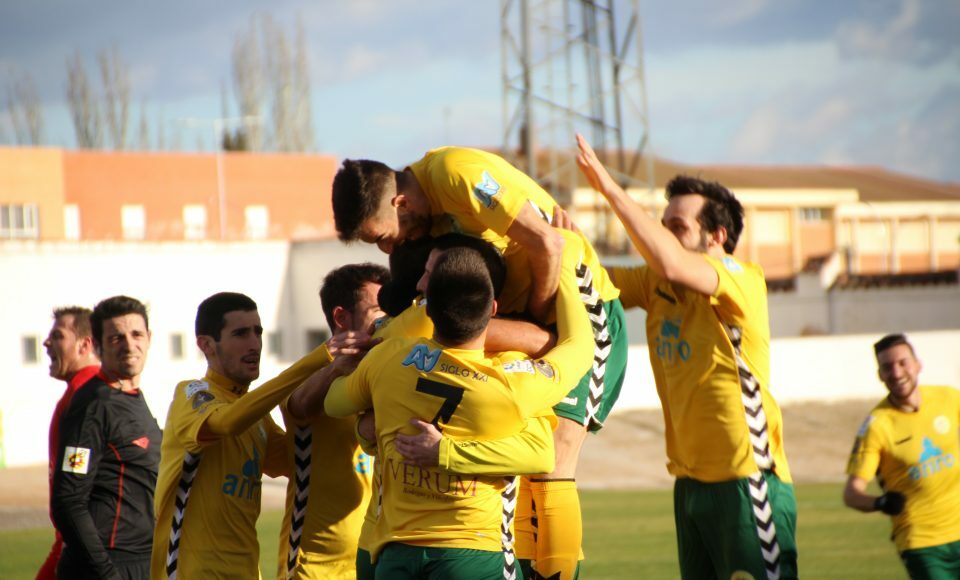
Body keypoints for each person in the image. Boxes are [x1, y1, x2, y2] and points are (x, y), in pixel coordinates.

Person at [333, 149, 629, 579]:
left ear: (400, 203)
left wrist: (532, 322)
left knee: (554, 458)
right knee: (512, 459)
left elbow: (549, 243)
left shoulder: (457, 175)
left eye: (382, 236)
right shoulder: (429, 216)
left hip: (578, 308)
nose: (387, 248)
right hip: (513, 316)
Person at [575, 134, 797, 579]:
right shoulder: (656, 283)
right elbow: (587, 279)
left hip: (746, 479)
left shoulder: (741, 277)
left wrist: (609, 189)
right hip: (689, 483)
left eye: (676, 226)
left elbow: (673, 263)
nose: (662, 234)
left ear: (717, 236)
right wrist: (559, 237)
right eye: (662, 224)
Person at [325, 244, 594, 579]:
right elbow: (581, 346)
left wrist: (369, 420)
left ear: (428, 313)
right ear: (492, 309)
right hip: (469, 552)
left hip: (396, 551)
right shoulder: (511, 383)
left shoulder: (387, 357)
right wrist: (563, 259)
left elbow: (334, 403)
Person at [152, 292, 367, 579]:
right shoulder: (192, 394)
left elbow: (302, 463)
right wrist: (318, 360)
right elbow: (227, 423)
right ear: (206, 345)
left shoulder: (258, 420)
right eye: (240, 334)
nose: (254, 344)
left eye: (258, 332)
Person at [277, 264, 388, 579]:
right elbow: (298, 406)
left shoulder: (385, 374)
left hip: (375, 558)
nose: (387, 321)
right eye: (378, 313)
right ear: (341, 317)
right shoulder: (306, 373)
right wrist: (339, 367)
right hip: (313, 566)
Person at [51, 295, 162, 579]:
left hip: (143, 562)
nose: (129, 345)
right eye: (116, 338)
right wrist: (106, 573)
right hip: (109, 565)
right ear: (98, 346)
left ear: (149, 338)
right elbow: (68, 501)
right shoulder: (93, 405)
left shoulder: (133, 397)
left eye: (136, 334)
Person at [844, 333, 960, 579]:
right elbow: (852, 494)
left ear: (918, 364)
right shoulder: (877, 425)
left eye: (902, 363)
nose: (896, 373)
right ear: (880, 375)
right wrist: (880, 503)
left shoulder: (948, 399)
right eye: (887, 367)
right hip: (922, 543)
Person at [37, 306, 101, 580]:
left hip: (78, 545)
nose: (46, 342)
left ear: (84, 345)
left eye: (58, 336)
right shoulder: (82, 393)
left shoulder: (85, 397)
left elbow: (78, 484)